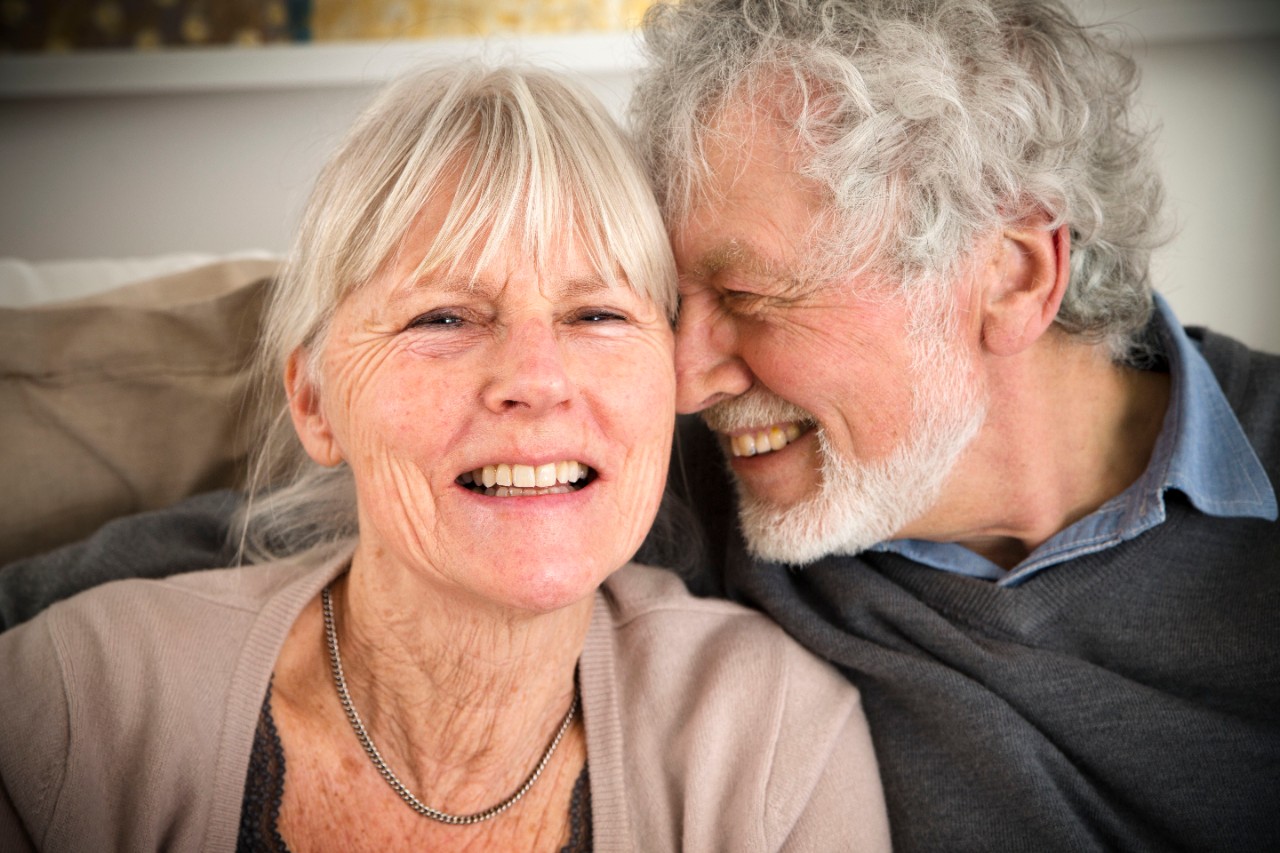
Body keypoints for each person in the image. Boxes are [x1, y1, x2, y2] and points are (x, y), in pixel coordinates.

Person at [0, 64, 891, 852]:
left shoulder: (772, 743)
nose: (536, 381)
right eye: (443, 318)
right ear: (314, 402)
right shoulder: (73, 709)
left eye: (598, 315)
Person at [630, 0, 1280, 851]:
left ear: (1012, 274)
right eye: (678, 304)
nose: (683, 381)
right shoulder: (671, 500)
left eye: (748, 296)